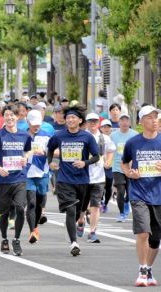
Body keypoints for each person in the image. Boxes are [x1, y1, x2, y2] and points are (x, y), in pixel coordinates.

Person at [47, 105, 100, 256]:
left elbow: (96, 156)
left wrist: (85, 163)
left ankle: (71, 226)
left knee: (77, 212)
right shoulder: (59, 136)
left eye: (73, 118)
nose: (70, 120)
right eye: (68, 117)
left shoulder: (87, 137)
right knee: (70, 210)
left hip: (83, 180)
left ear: (80, 120)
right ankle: (74, 242)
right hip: (64, 179)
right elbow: (50, 149)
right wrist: (50, 162)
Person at [0, 105, 31, 256]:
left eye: (12, 115)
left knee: (20, 208)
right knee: (3, 213)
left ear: (17, 117)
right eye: (7, 115)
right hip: (3, 180)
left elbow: (29, 149)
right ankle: (4, 239)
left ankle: (16, 239)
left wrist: (25, 158)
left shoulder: (24, 135)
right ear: (3, 117)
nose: (10, 118)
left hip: (20, 178)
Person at [121, 105, 161, 287]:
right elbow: (124, 164)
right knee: (143, 232)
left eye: (156, 117)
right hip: (139, 193)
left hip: (159, 195)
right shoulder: (133, 143)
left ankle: (149, 270)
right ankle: (142, 270)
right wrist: (130, 173)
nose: (154, 120)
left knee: (155, 240)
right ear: (141, 121)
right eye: (150, 117)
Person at [76, 113, 116, 243]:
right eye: (90, 121)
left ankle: (93, 232)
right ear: (86, 123)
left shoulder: (104, 138)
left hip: (99, 177)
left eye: (95, 121)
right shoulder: (81, 136)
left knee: (95, 205)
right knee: (82, 204)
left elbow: (111, 150)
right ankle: (81, 220)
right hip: (84, 176)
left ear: (98, 123)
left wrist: (108, 161)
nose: (92, 123)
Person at [25, 110, 52, 244]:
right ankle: (32, 231)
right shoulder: (22, 135)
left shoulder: (47, 136)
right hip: (27, 173)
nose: (37, 126)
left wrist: (46, 152)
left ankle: (35, 226)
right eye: (34, 124)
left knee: (40, 203)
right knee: (31, 202)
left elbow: (55, 151)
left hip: (43, 173)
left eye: (39, 124)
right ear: (28, 122)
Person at [111, 113, 138, 222]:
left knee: (130, 191)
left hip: (131, 167)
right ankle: (122, 213)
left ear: (130, 122)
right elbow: (109, 151)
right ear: (119, 123)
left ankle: (127, 202)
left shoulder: (135, 135)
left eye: (127, 120)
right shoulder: (113, 136)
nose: (124, 122)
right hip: (117, 167)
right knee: (121, 191)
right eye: (122, 120)